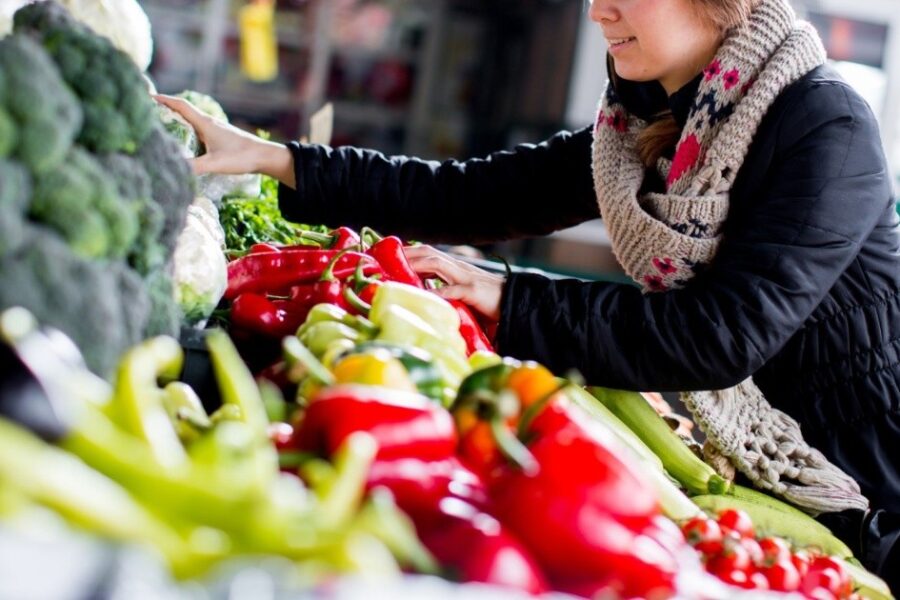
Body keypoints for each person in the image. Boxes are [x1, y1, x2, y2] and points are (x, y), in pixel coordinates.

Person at [158, 0, 900, 589]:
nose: (598, 11)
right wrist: (281, 160)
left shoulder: (823, 124)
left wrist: (507, 299)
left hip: (876, 491)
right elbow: (471, 196)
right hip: (773, 483)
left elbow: (719, 335)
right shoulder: (649, 126)